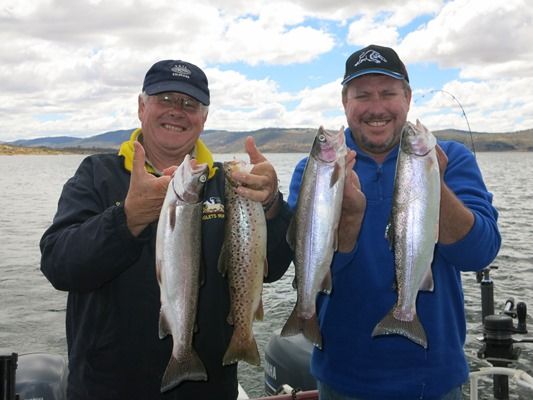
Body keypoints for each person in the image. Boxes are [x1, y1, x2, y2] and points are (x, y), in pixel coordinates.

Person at [40, 59, 293, 400]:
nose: (177, 111)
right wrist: (126, 218)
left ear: (204, 118)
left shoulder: (229, 183)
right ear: (141, 106)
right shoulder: (97, 174)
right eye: (165, 99)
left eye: (189, 104)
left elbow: (272, 268)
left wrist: (272, 206)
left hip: (208, 389)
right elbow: (60, 264)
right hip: (107, 388)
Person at [287, 44, 501, 400]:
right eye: (362, 95)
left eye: (388, 93)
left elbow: (479, 254)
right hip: (342, 379)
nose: (376, 107)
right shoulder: (315, 172)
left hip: (436, 379)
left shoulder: (453, 159)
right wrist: (349, 222)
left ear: (408, 97)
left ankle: (405, 313)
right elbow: (314, 271)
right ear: (345, 102)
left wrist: (434, 184)